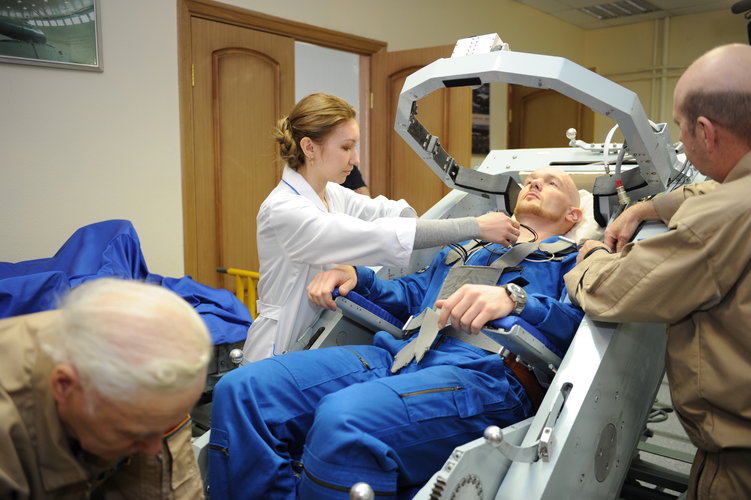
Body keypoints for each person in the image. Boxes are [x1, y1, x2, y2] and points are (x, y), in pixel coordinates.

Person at [209, 166, 585, 499]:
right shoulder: (468, 248)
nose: (535, 182)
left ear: (574, 214)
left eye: (551, 183)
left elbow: (577, 328)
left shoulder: (578, 260)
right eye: (531, 179)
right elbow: (413, 293)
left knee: (344, 420)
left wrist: (515, 300)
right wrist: (359, 277)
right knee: (243, 391)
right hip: (404, 353)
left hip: (489, 375)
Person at [565, 44, 751, 500]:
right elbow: (715, 191)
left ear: (705, 132)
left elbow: (612, 290)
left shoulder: (719, 222)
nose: (682, 144)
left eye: (683, 130)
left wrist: (588, 255)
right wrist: (649, 206)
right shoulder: (733, 198)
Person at [244, 93, 522, 363]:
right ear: (309, 147)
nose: (355, 160)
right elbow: (379, 236)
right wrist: (474, 226)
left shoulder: (331, 194)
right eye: (345, 147)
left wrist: (431, 235)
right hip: (277, 344)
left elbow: (392, 212)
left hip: (315, 336)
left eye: (355, 147)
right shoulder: (284, 209)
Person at [0, 278, 212, 499]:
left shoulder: (150, 400)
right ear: (64, 386)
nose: (153, 448)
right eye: (134, 434)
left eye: (166, 425)